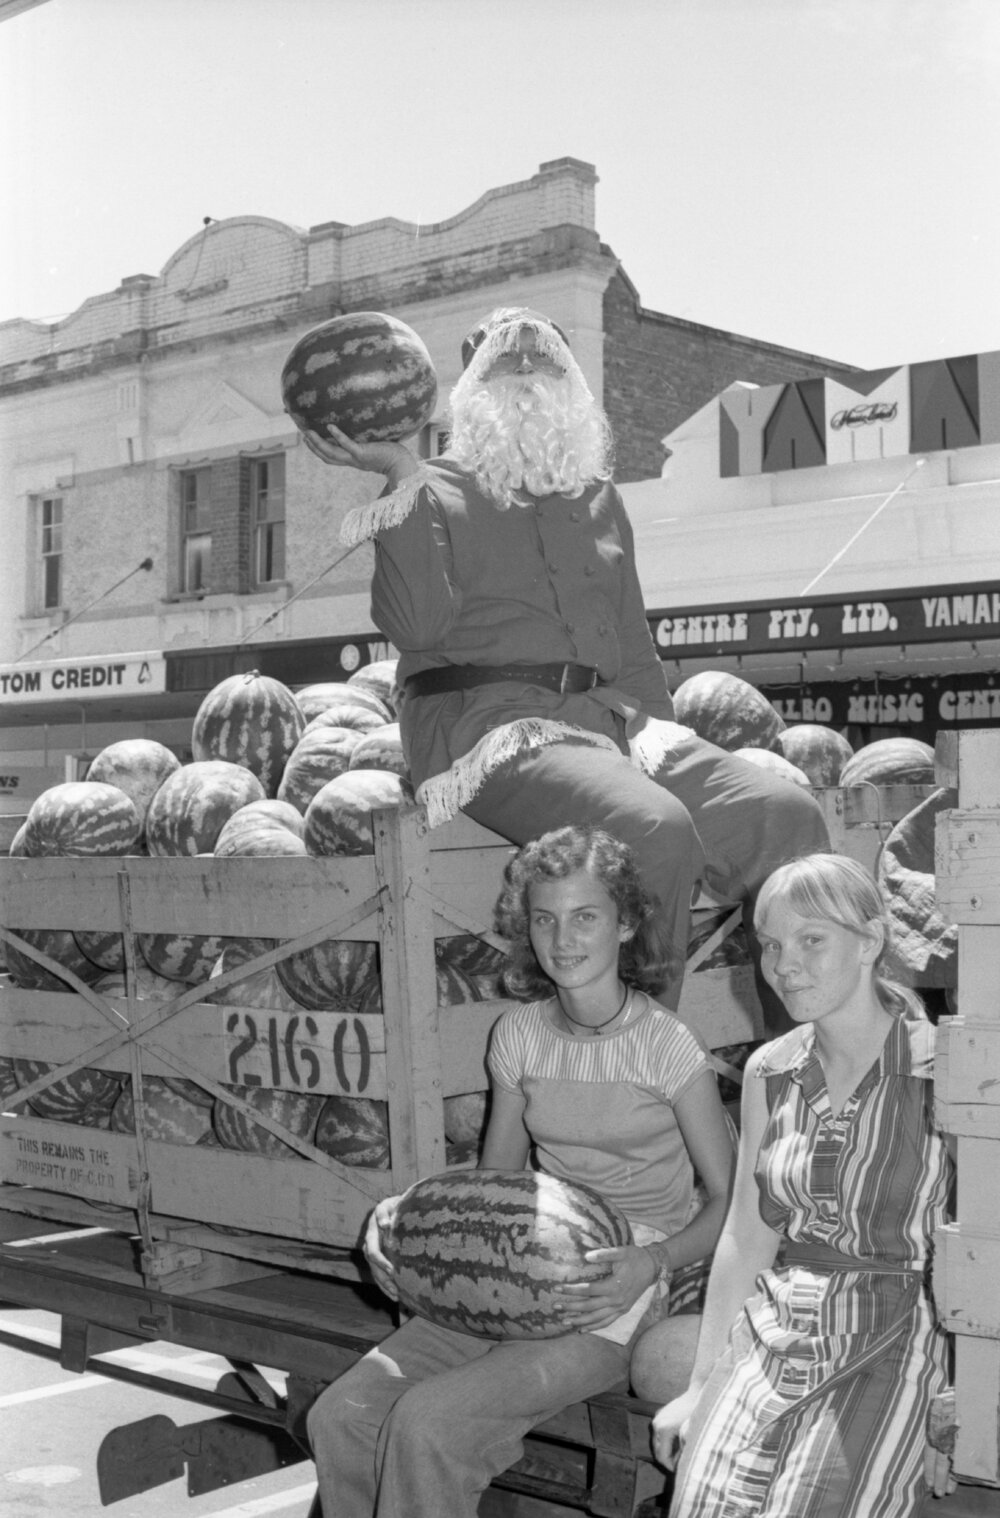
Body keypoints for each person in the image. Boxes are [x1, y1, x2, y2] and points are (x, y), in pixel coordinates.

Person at [301, 305, 829, 1010]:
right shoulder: (430, 487)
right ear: (471, 389)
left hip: (610, 724)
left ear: (573, 385)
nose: (526, 376)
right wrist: (399, 469)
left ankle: (806, 1044)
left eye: (544, 361)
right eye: (504, 363)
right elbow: (415, 625)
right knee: (654, 830)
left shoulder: (599, 498)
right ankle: (634, 1064)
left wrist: (661, 746)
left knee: (786, 815)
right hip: (486, 728)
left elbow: (632, 644)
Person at [306, 824, 736, 1518]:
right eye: (545, 919)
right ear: (525, 928)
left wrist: (649, 1263)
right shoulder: (518, 1035)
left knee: (428, 1423)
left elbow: (727, 1200)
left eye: (586, 917)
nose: (564, 939)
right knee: (342, 1415)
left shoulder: (668, 1047)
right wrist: (400, 1227)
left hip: (614, 1295)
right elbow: (494, 1183)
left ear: (625, 925)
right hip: (515, 1269)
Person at [651, 853, 955, 1517]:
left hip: (898, 1334)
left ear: (871, 941)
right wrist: (700, 1385)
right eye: (771, 945)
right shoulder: (770, 1070)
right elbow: (747, 1234)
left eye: (812, 939)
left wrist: (959, 1401)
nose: (784, 964)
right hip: (773, 1332)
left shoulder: (947, 1069)